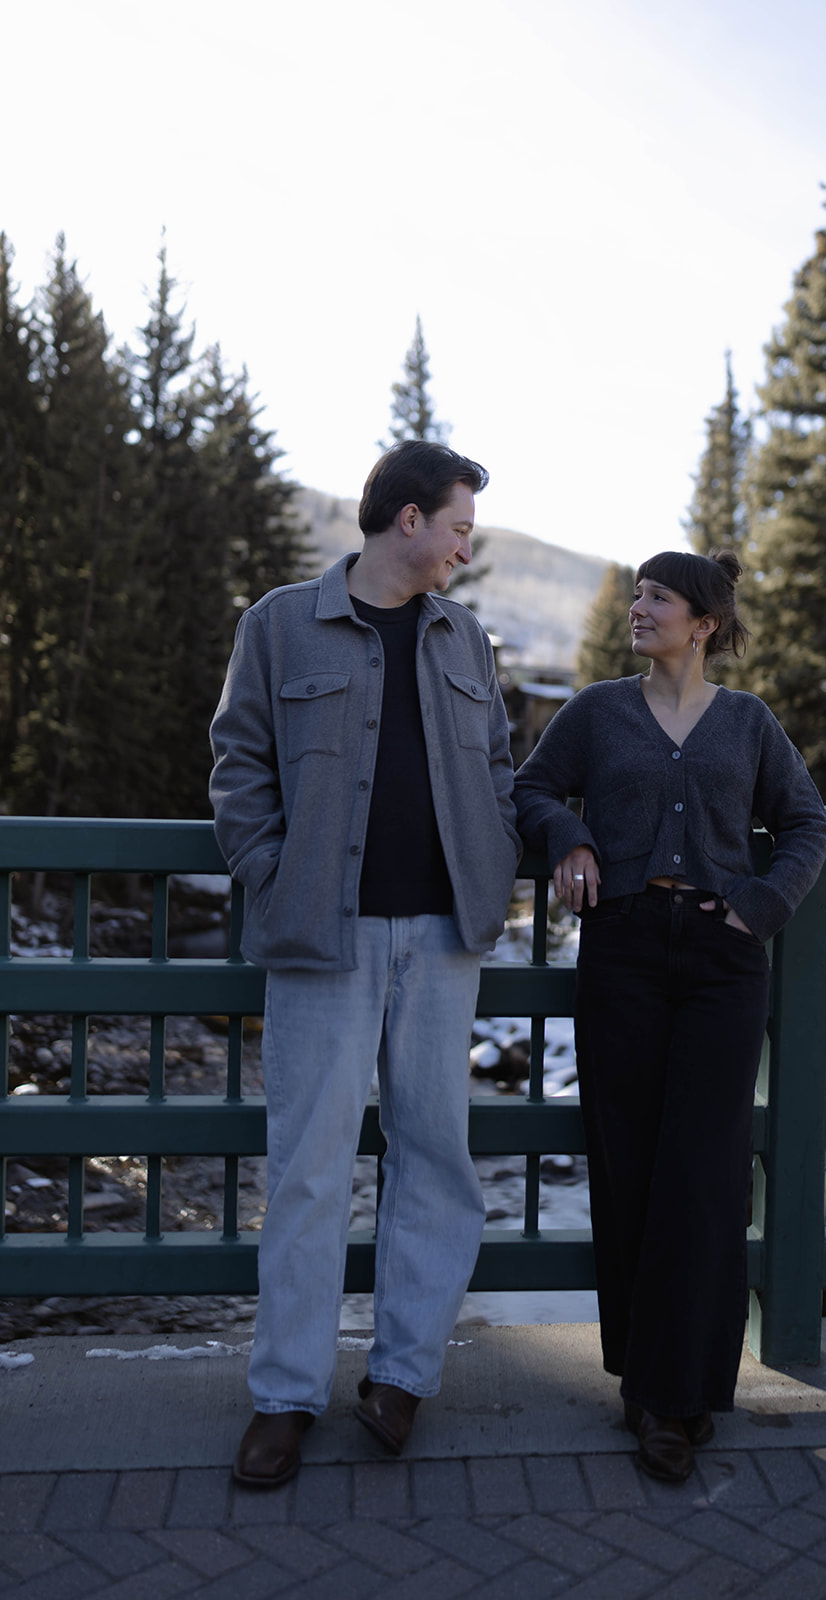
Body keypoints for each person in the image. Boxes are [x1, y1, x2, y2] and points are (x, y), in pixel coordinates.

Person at [210, 440, 520, 1488]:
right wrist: (271, 872)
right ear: (407, 521)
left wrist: (498, 867)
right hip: (319, 944)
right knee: (306, 1170)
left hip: (441, 942)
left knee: (433, 1161)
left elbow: (500, 770)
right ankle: (283, 1397)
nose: (465, 546)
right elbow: (238, 761)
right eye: (458, 526)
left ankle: (399, 1377)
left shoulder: (465, 639)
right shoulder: (279, 624)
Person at [514, 549, 826, 1483]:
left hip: (721, 959)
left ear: (704, 624)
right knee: (630, 1166)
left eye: (659, 597)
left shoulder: (748, 722)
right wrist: (568, 836)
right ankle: (654, 1393)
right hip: (621, 951)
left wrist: (759, 907)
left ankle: (683, 1389)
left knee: (704, 1172)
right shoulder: (595, 711)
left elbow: (807, 824)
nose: (638, 608)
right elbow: (530, 789)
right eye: (638, 593)